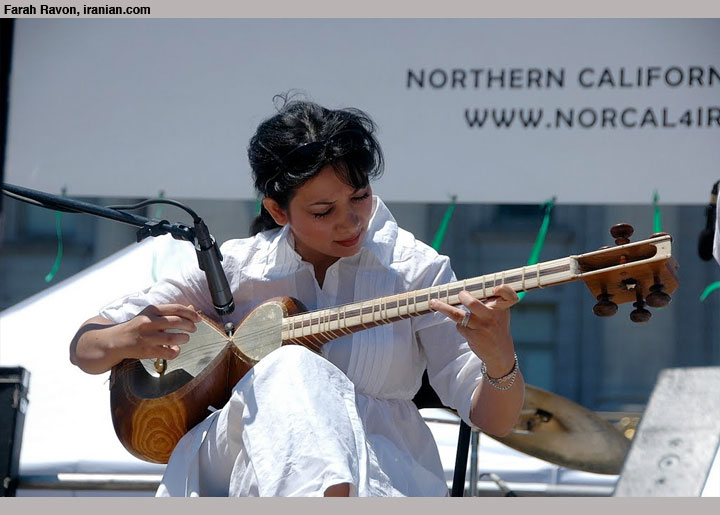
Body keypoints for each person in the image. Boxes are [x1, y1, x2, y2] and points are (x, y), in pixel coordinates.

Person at [69, 96, 525, 497]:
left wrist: (499, 357)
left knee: (294, 367)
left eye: (360, 197)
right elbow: (85, 348)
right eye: (324, 211)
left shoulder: (415, 269)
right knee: (290, 367)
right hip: (244, 469)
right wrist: (125, 338)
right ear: (276, 210)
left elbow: (495, 420)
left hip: (384, 479)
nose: (351, 222)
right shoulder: (240, 268)